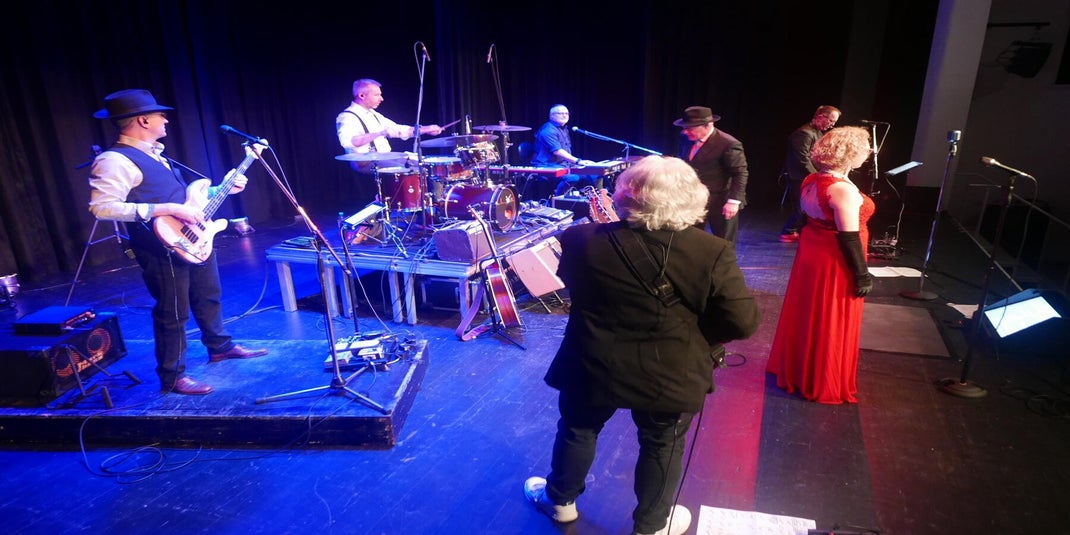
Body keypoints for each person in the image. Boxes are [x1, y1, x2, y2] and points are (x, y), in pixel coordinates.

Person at [523, 156, 761, 535]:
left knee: (578, 428)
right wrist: (699, 333)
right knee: (662, 443)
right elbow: (743, 322)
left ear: (625, 195)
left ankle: (560, 502)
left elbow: (574, 287)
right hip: (671, 367)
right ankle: (651, 527)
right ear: (694, 198)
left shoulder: (579, 239)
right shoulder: (711, 250)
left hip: (592, 359)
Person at [88, 89, 268, 395]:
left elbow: (185, 200)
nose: (166, 120)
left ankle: (220, 346)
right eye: (160, 115)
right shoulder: (114, 160)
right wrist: (166, 209)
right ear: (143, 120)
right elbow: (102, 208)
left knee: (208, 295)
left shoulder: (157, 154)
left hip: (193, 238)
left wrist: (222, 189)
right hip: (160, 247)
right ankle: (172, 375)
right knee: (173, 311)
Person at [766, 126, 876, 404]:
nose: (868, 155)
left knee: (809, 313)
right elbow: (848, 236)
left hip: (813, 254)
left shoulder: (812, 179)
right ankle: (821, 377)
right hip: (834, 262)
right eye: (865, 150)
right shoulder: (841, 190)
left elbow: (808, 218)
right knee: (830, 317)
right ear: (851, 154)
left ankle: (801, 369)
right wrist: (861, 274)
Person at [336, 78, 443, 207]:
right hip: (365, 162)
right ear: (362, 95)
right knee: (411, 169)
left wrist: (426, 129)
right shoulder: (347, 117)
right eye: (377, 95)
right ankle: (409, 206)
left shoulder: (374, 115)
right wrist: (380, 133)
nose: (381, 99)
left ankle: (438, 204)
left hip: (384, 157)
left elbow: (398, 129)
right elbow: (349, 141)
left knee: (427, 165)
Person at [674, 106, 749, 243]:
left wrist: (733, 201)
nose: (685, 131)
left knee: (723, 242)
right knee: (690, 240)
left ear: (708, 125)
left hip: (720, 200)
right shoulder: (685, 138)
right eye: (685, 127)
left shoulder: (728, 143)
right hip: (693, 199)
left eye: (690, 128)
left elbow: (739, 173)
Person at [778, 105, 841, 243]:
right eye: (831, 121)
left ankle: (797, 231)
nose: (831, 125)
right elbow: (803, 159)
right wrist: (817, 176)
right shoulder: (804, 133)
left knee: (807, 206)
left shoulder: (816, 132)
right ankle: (788, 231)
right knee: (803, 206)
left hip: (805, 175)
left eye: (834, 122)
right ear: (820, 117)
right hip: (798, 176)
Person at [531, 104, 597, 196]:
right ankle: (557, 200)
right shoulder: (548, 130)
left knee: (594, 173)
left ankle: (596, 200)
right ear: (551, 116)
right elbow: (557, 151)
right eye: (560, 113)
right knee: (572, 178)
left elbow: (566, 150)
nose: (564, 115)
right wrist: (578, 161)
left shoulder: (564, 129)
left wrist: (579, 164)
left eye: (566, 113)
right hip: (546, 165)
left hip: (562, 164)